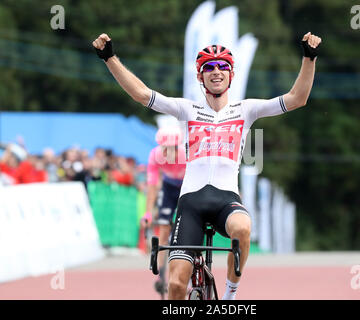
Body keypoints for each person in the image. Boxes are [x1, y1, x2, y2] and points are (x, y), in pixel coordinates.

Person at [93, 31, 321, 300]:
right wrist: (110, 58)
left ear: (231, 75)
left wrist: (309, 57)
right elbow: (142, 95)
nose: (216, 71)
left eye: (222, 66)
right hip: (191, 204)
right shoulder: (187, 109)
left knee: (243, 228)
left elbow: (297, 98)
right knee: (176, 286)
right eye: (208, 68)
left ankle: (229, 295)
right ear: (200, 76)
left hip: (226, 200)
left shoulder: (246, 110)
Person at [140, 126, 186, 295]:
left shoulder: (185, 154)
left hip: (186, 186)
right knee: (164, 228)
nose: (168, 152)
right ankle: (161, 274)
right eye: (164, 148)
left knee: (186, 224)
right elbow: (152, 186)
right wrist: (148, 213)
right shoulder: (154, 155)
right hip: (168, 187)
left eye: (172, 148)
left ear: (178, 145)